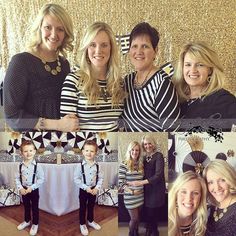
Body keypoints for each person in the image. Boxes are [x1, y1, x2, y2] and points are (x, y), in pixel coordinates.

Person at [3, 3, 79, 132]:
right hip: (32, 145)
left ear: (66, 33)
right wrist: (58, 125)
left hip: (63, 143)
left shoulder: (64, 64)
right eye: (48, 27)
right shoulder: (21, 63)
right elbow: (12, 117)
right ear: (39, 28)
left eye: (60, 29)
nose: (54, 35)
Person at [60, 22, 124, 131]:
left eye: (104, 45)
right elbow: (68, 130)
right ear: (86, 49)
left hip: (114, 146)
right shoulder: (74, 80)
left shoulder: (119, 82)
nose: (98, 51)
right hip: (87, 146)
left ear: (111, 48)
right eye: (93, 45)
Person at [120, 22, 180, 131]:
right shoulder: (127, 81)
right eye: (134, 46)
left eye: (145, 46)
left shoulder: (162, 83)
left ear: (155, 51)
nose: (138, 52)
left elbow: (172, 130)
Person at [173, 41, 236, 131]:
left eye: (200, 65)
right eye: (188, 65)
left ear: (210, 69)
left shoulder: (224, 100)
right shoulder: (174, 98)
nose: (193, 70)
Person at [127, 135, 166, 236]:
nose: (147, 146)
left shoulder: (159, 156)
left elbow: (158, 175)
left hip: (156, 189)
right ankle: (148, 228)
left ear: (153, 144)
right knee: (147, 212)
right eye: (145, 144)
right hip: (145, 190)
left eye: (149, 143)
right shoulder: (143, 158)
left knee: (153, 211)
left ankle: (154, 230)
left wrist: (140, 183)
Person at [74, 140, 103, 236]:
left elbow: (101, 178)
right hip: (83, 190)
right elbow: (76, 179)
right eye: (87, 150)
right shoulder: (79, 166)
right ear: (83, 151)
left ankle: (90, 220)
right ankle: (82, 223)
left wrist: (97, 188)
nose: (89, 153)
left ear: (96, 153)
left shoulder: (98, 166)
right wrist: (85, 188)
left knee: (91, 206)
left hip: (93, 190)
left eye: (92, 151)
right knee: (82, 207)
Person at [15, 140, 44, 236]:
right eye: (25, 151)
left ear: (34, 151)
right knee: (26, 206)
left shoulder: (38, 166)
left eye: (31, 150)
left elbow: (41, 179)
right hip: (24, 190)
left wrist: (32, 187)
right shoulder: (19, 166)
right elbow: (16, 178)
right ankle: (27, 221)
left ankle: (35, 224)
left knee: (35, 207)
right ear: (21, 153)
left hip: (34, 190)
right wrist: (20, 188)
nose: (28, 153)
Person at [168, 171, 207, 236]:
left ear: (201, 197)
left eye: (195, 193)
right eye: (184, 192)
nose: (189, 199)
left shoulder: (203, 224)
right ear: (176, 195)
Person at [203, 159, 236, 236]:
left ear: (230, 179)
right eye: (211, 182)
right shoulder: (211, 208)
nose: (217, 188)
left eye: (222, 180)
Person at [118, 141, 144, 236]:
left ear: (139, 152)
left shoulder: (141, 164)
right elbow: (121, 184)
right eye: (132, 149)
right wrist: (132, 191)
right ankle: (131, 233)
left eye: (137, 150)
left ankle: (135, 232)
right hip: (130, 197)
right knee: (134, 219)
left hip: (141, 196)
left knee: (138, 218)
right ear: (129, 151)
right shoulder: (123, 164)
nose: (134, 152)